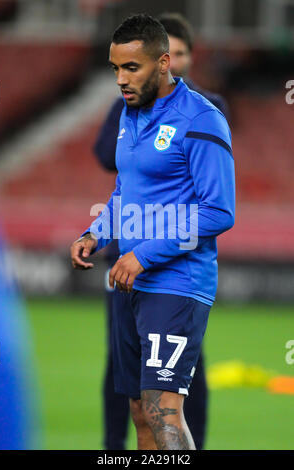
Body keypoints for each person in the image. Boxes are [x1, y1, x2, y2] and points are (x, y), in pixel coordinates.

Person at [71, 14, 235, 450]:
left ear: (164, 63)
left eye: (132, 68)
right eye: (115, 69)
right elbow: (127, 192)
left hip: (176, 285)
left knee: (165, 415)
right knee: (141, 415)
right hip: (130, 283)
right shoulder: (130, 115)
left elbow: (218, 211)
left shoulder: (202, 118)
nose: (121, 80)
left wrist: (144, 255)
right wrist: (96, 234)